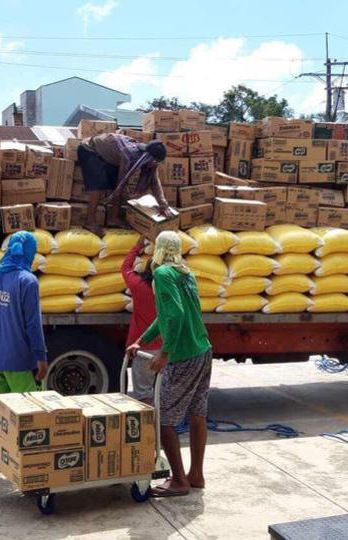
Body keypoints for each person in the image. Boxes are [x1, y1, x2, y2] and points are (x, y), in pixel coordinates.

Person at [126, 231, 212, 498]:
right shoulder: (186, 273)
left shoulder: (162, 274)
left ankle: (178, 480)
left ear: (158, 250)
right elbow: (165, 316)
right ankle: (196, 474)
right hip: (203, 350)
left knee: (162, 419)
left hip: (183, 355)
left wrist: (165, 352)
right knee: (197, 414)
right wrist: (142, 340)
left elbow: (175, 314)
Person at [0, 231, 48, 434]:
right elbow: (33, 324)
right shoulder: (28, 281)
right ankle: (28, 449)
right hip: (16, 357)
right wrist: (41, 357)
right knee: (28, 407)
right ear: (29, 253)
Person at [77, 132, 174, 234]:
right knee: (98, 185)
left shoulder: (149, 160)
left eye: (158, 162)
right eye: (155, 162)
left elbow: (154, 182)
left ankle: (113, 218)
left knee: (117, 185)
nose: (155, 164)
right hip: (89, 149)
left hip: (109, 155)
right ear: (148, 157)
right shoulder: (130, 156)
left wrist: (163, 205)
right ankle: (90, 222)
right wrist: (131, 201)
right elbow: (121, 183)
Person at [121, 236, 162, 405]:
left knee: (143, 393)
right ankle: (161, 419)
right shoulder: (170, 290)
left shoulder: (138, 286)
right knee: (163, 391)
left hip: (144, 348)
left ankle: (150, 420)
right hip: (166, 349)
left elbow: (125, 267)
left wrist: (137, 247)